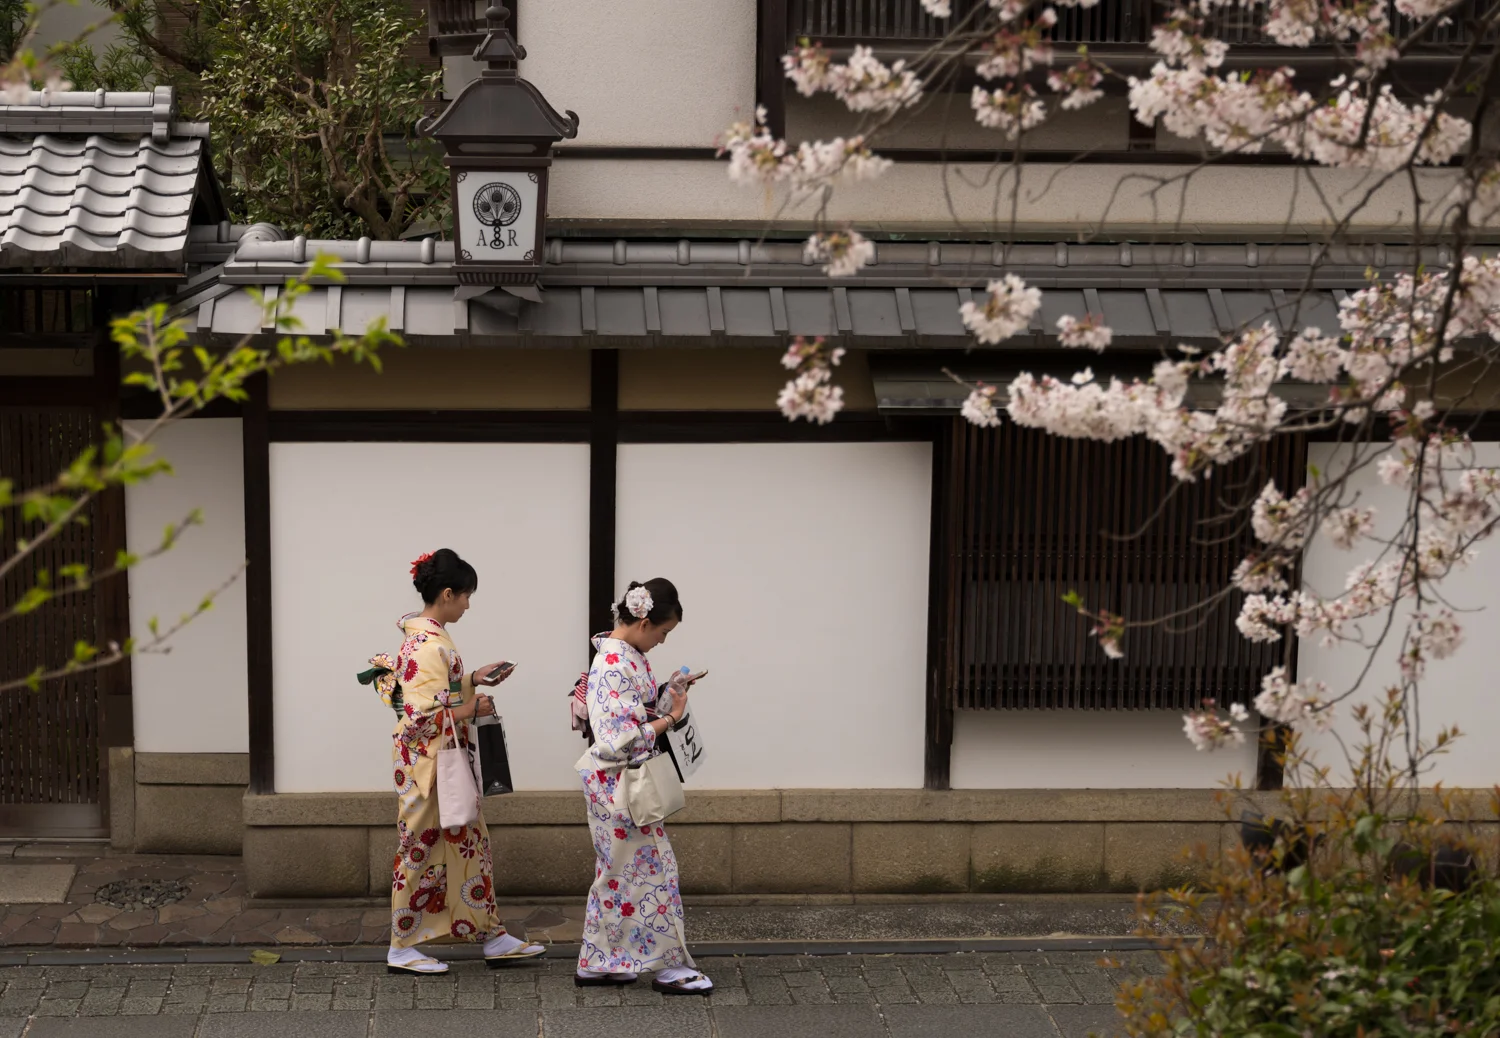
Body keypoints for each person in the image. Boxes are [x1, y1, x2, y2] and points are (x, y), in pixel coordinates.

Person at [383, 548, 546, 975]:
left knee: (471, 843)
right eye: (466, 596)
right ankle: (401, 946)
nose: (469, 605)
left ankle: (491, 935)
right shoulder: (425, 645)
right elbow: (419, 716)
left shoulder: (429, 637)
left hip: (442, 761)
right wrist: (469, 708)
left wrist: (473, 679)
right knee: (419, 848)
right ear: (448, 593)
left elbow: (438, 694)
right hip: (428, 766)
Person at [574, 578, 712, 995]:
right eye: (663, 633)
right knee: (653, 872)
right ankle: (670, 966)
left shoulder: (623, 655)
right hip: (621, 783)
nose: (662, 642)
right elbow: (618, 738)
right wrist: (669, 718)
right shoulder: (615, 664)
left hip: (616, 784)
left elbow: (636, 713)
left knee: (615, 875)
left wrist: (668, 694)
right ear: (644, 620)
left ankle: (599, 962)